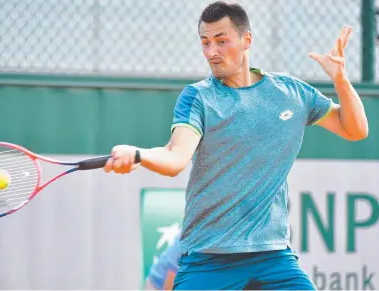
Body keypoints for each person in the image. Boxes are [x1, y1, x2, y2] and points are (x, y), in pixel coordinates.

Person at [105, 1, 368, 290]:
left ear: (247, 41)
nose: (212, 52)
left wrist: (341, 80)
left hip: (273, 257)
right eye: (205, 43)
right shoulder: (199, 97)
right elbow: (174, 157)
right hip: (208, 258)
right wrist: (139, 154)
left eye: (221, 41)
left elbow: (355, 130)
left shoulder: (291, 93)